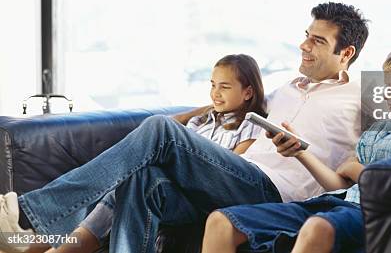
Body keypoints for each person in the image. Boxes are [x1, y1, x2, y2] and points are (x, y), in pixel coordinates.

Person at [0, 2, 370, 253]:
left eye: (317, 40)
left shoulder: (363, 97)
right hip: (238, 176)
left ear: (346, 53)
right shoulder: (288, 88)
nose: (303, 45)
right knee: (142, 180)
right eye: (306, 34)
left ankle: (30, 214)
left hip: (275, 193)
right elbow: (240, 109)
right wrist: (208, 109)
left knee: (159, 128)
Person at [200, 43, 391, 253]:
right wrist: (300, 152)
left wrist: (359, 170)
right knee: (221, 222)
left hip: (374, 214)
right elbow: (338, 183)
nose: (387, 92)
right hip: (335, 202)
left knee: (318, 228)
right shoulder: (380, 129)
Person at [38, 53, 267, 253]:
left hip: (206, 198)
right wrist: (201, 111)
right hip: (174, 191)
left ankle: (48, 239)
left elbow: (226, 173)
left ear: (248, 92)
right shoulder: (203, 121)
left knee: (130, 174)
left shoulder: (251, 126)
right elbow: (161, 131)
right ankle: (44, 241)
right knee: (137, 177)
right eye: (212, 84)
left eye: (224, 87)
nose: (215, 93)